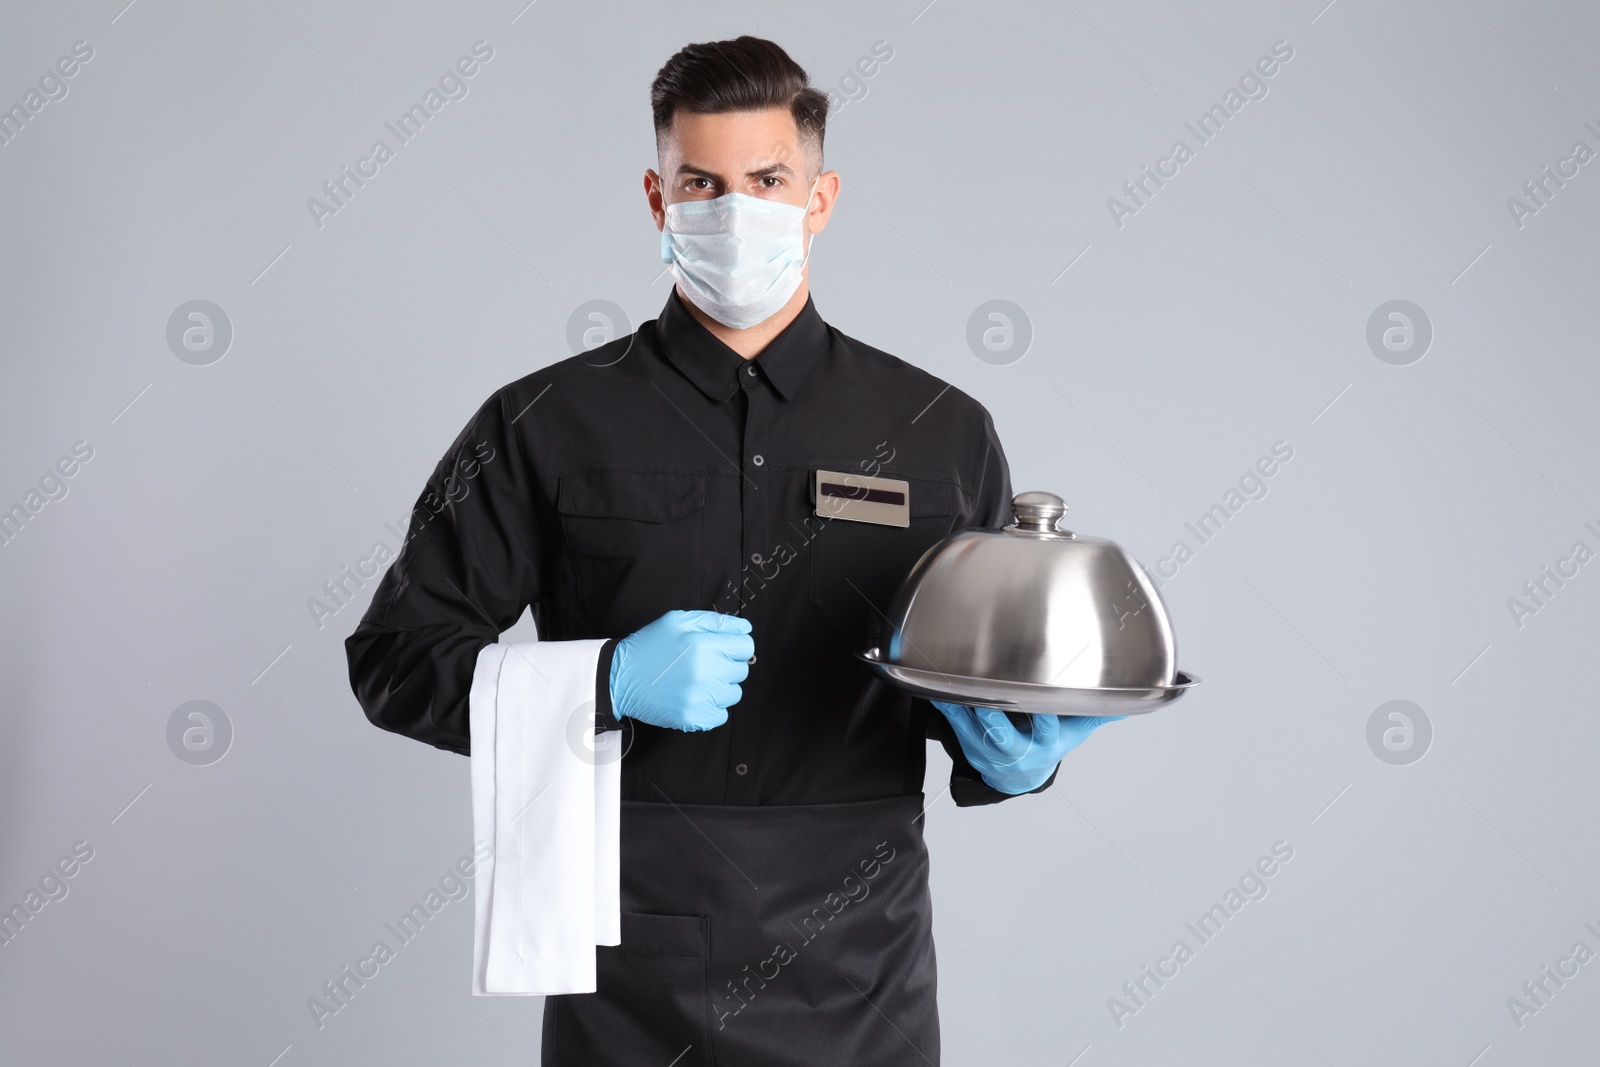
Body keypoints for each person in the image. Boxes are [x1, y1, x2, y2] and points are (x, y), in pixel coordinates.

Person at [345, 35, 1117, 1066]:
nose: (734, 210)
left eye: (766, 180)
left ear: (821, 196)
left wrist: (1017, 756)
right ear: (658, 199)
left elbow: (982, 682)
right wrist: (604, 679)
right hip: (628, 955)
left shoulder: (940, 428)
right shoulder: (537, 421)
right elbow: (393, 657)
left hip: (859, 962)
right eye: (701, 182)